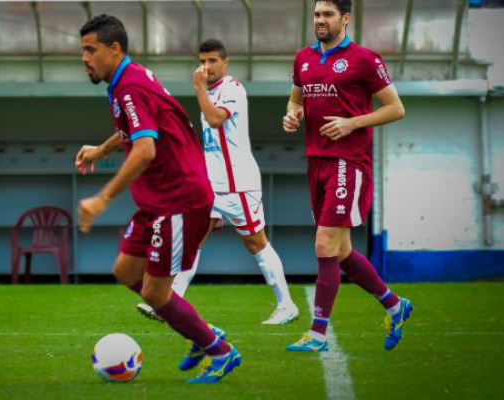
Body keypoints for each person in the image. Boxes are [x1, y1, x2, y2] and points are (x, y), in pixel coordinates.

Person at [75, 15, 241, 383]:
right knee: (126, 271)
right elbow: (134, 131)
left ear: (114, 49)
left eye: (91, 50)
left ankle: (219, 350)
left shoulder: (130, 87)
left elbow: (145, 149)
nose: (84, 58)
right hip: (159, 200)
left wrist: (102, 198)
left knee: (153, 290)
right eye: (82, 50)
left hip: (179, 198)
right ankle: (198, 330)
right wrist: (101, 150)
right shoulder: (126, 81)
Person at [137, 39, 300, 325]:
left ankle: (287, 304)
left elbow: (214, 120)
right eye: (202, 61)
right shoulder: (209, 92)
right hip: (212, 186)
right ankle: (168, 302)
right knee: (193, 241)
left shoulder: (233, 90)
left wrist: (198, 87)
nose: (206, 67)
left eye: (212, 61)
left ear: (225, 63)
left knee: (255, 242)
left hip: (239, 184)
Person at [283, 0, 412, 351]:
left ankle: (317, 333)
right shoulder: (303, 58)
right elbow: (296, 101)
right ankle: (395, 306)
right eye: (316, 14)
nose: (320, 20)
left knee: (324, 244)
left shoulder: (365, 59)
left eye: (327, 14)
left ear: (345, 18)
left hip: (348, 162)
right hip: (316, 162)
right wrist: (292, 116)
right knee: (340, 253)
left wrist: (352, 123)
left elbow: (396, 108)